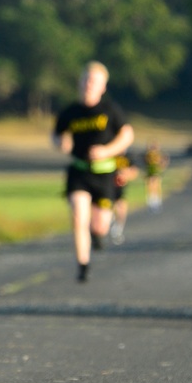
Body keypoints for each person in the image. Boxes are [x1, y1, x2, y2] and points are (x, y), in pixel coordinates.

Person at [52, 62, 134, 283]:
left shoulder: (110, 110)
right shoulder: (71, 112)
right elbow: (57, 135)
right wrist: (61, 143)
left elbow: (127, 136)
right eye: (86, 80)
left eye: (94, 81)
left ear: (102, 87)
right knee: (79, 216)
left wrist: (107, 151)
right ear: (80, 83)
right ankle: (83, 265)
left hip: (105, 174)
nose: (89, 84)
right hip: (79, 171)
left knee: (100, 225)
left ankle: (97, 234)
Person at [109, 149, 139, 243]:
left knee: (122, 208)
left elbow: (134, 173)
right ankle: (110, 224)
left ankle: (118, 229)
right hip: (108, 186)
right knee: (109, 208)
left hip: (120, 187)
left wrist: (125, 174)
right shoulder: (110, 154)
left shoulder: (129, 157)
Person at [143, 141, 169, 212]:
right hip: (150, 171)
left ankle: (157, 201)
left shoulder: (159, 155)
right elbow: (146, 161)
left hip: (156, 171)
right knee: (150, 186)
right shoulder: (149, 154)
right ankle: (151, 201)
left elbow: (164, 162)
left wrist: (162, 166)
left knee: (156, 185)